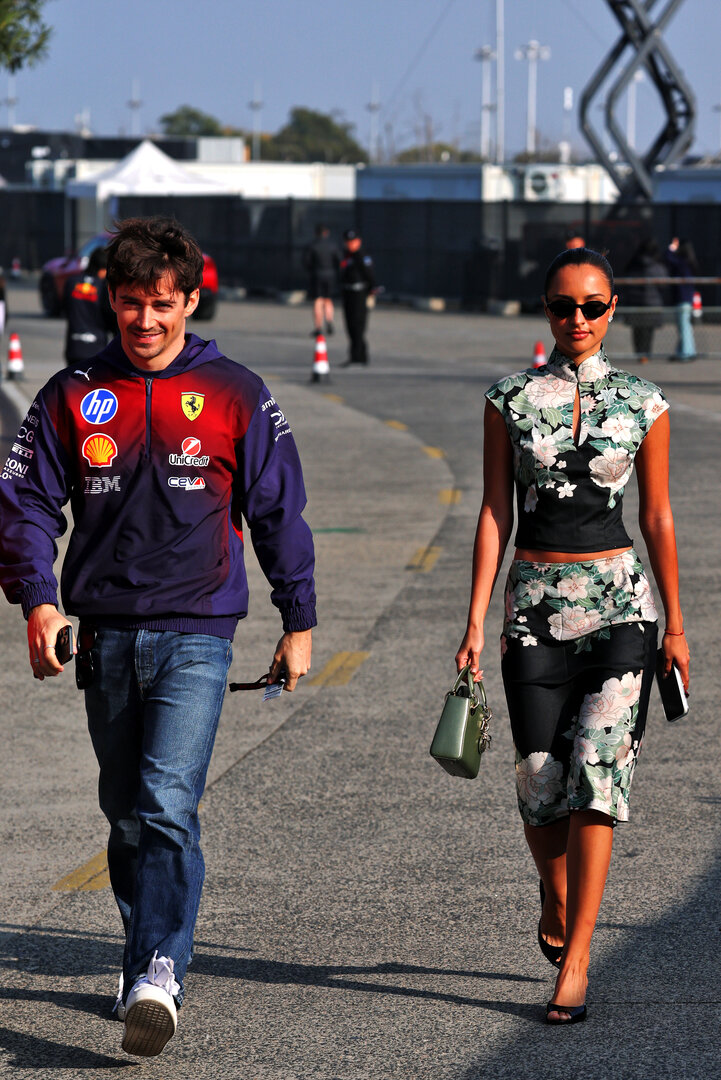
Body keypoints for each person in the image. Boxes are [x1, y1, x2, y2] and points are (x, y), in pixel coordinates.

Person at [0, 217, 316, 1058]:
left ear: (190, 301)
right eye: (132, 303)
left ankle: (158, 973)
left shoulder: (235, 391)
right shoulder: (70, 394)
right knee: (127, 813)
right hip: (103, 634)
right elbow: (25, 503)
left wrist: (299, 619)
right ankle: (142, 956)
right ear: (110, 299)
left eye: (162, 304)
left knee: (168, 803)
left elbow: (278, 511)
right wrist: (37, 600)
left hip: (198, 633)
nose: (146, 320)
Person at [456, 247, 689, 1025]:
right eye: (563, 306)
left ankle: (579, 956)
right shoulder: (508, 399)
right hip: (532, 606)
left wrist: (677, 625)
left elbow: (656, 516)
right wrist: (473, 621)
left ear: (612, 308)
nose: (577, 319)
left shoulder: (643, 402)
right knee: (536, 779)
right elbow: (495, 512)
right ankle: (554, 897)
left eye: (592, 306)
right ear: (546, 311)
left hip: (621, 607)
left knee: (597, 771)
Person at [62, 247, 117, 366]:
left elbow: (64, 307)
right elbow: (110, 314)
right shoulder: (103, 286)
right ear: (103, 269)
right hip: (96, 348)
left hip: (73, 347)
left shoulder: (71, 282)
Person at [621, 238, 668, 363]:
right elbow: (663, 284)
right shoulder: (657, 266)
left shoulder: (633, 264)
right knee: (648, 331)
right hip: (652, 303)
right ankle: (646, 353)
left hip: (634, 302)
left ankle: (640, 353)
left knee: (637, 329)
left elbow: (626, 282)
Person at [340, 228, 375, 366]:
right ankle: (354, 355)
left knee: (358, 325)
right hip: (348, 292)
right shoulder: (347, 256)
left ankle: (360, 356)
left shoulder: (362, 256)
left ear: (358, 241)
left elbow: (370, 275)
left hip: (360, 293)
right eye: (348, 242)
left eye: (352, 241)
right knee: (350, 325)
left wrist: (371, 291)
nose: (350, 244)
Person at [664, 237, 698, 362]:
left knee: (684, 327)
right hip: (686, 299)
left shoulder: (682, 263)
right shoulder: (690, 262)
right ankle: (686, 351)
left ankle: (686, 353)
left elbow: (668, 258)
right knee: (685, 326)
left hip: (682, 299)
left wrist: (672, 248)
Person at [304, 223, 341, 337]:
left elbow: (306, 261)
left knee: (318, 300)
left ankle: (318, 327)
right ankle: (329, 320)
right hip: (330, 274)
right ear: (326, 233)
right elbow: (339, 260)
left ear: (316, 233)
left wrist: (312, 270)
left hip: (317, 274)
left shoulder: (312, 245)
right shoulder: (333, 246)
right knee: (328, 299)